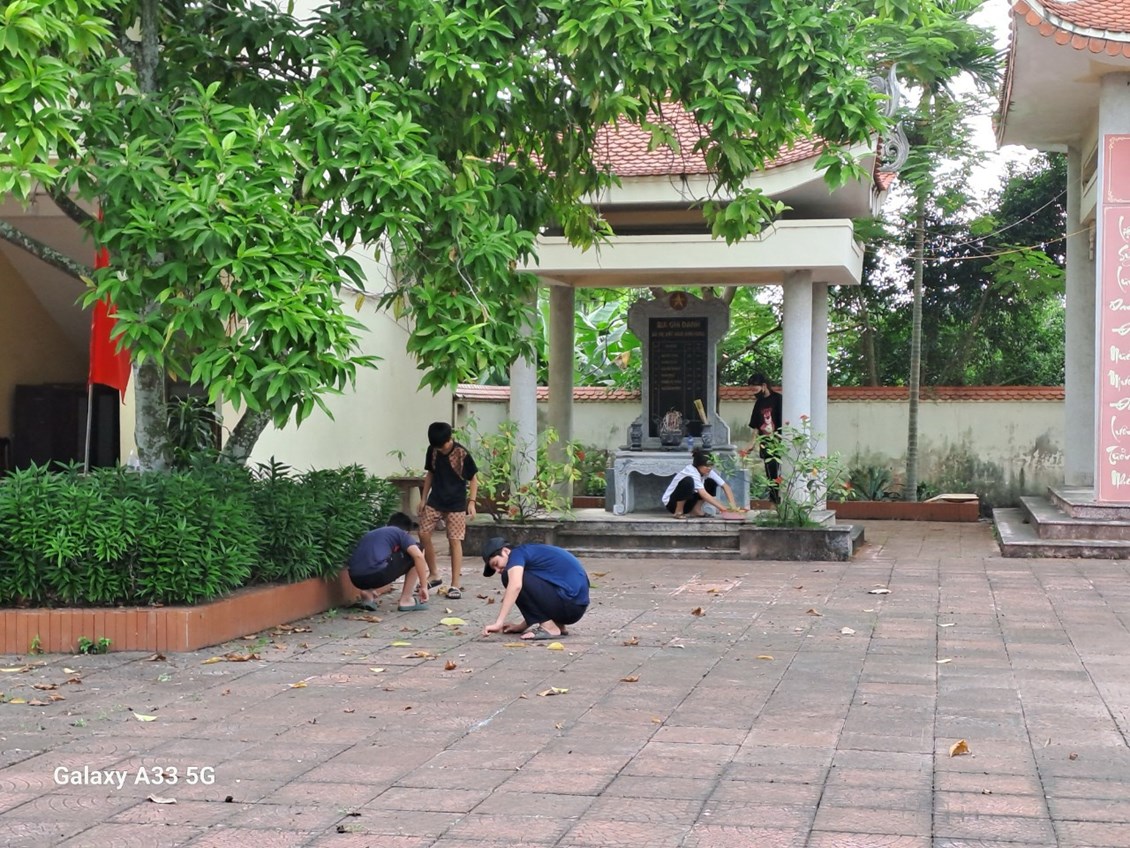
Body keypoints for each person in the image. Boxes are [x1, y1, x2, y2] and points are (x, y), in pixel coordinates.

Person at [480, 537, 590, 641]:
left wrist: (499, 623)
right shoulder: (530, 552)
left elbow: (516, 586)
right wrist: (521, 627)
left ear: (505, 551)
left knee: (508, 577)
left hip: (568, 603)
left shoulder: (517, 553)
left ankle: (549, 628)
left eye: (496, 564)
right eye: (494, 569)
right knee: (515, 576)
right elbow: (534, 595)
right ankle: (556, 624)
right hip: (574, 608)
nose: (498, 570)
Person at [418, 421, 478, 600]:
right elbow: (430, 473)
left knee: (454, 541)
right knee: (423, 533)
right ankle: (434, 574)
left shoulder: (461, 453)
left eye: (442, 446)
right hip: (435, 500)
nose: (440, 450)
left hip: (456, 504)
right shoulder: (433, 450)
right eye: (437, 447)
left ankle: (455, 584)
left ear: (449, 439)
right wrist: (423, 498)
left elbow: (473, 479)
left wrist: (472, 502)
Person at [347, 512, 430, 612]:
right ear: (406, 532)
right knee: (419, 549)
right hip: (377, 574)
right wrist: (424, 586)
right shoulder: (399, 532)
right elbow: (418, 556)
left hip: (356, 579)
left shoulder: (372, 534)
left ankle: (367, 593)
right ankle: (406, 600)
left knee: (379, 559)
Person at [661, 449, 744, 518]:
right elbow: (703, 494)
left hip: (689, 503)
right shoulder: (691, 471)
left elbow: (725, 486)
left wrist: (733, 508)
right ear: (698, 465)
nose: (709, 468)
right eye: (706, 466)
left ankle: (696, 510)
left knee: (711, 481)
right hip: (672, 504)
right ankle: (678, 512)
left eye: (711, 466)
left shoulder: (708, 471)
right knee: (688, 481)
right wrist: (723, 509)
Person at [745, 372, 783, 502]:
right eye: (752, 390)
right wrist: (752, 443)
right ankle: (774, 501)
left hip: (779, 442)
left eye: (755, 389)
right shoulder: (759, 403)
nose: (754, 392)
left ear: (764, 385)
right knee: (770, 473)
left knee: (781, 472)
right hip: (766, 443)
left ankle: (782, 500)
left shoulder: (778, 399)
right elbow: (756, 425)